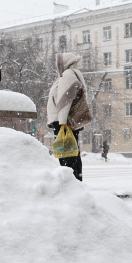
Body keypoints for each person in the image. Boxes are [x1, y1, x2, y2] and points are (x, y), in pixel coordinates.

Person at [46, 53, 93, 181]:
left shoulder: (68, 75)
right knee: (73, 153)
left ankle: (70, 183)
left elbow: (64, 101)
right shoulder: (75, 73)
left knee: (66, 155)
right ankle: (77, 180)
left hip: (64, 122)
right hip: (70, 121)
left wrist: (62, 123)